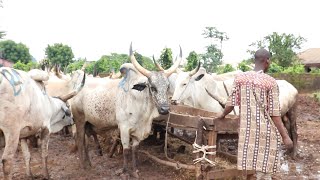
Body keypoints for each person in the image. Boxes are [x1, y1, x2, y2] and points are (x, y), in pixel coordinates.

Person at [214, 48, 293, 180]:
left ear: (255, 60)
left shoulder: (240, 79)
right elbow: (274, 113)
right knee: (264, 171)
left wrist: (222, 115)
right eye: (270, 61)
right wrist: (285, 136)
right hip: (265, 133)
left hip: (247, 133)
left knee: (249, 167)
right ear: (266, 61)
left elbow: (231, 103)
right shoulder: (270, 82)